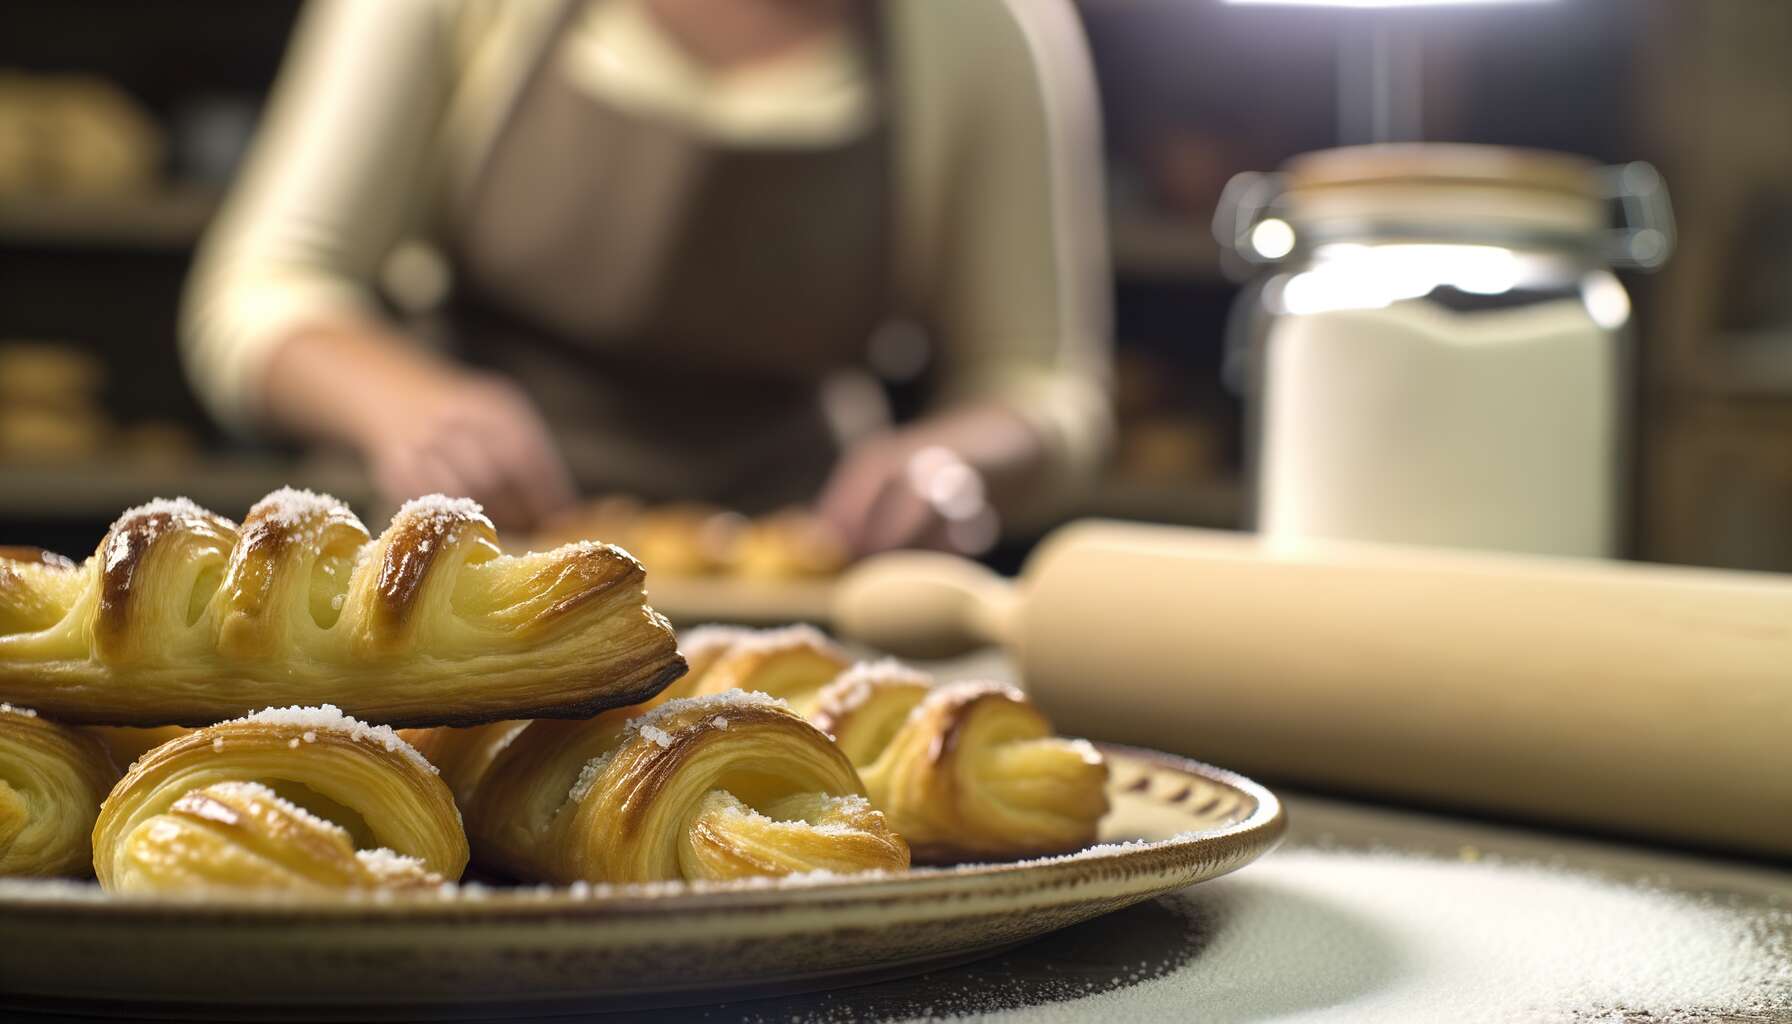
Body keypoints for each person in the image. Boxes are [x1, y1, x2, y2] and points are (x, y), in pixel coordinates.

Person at [181, 0, 1112, 555]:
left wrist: (955, 462)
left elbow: (1043, 378)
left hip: (796, 578)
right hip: (463, 558)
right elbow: (265, 284)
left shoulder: (984, 30)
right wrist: (406, 406)